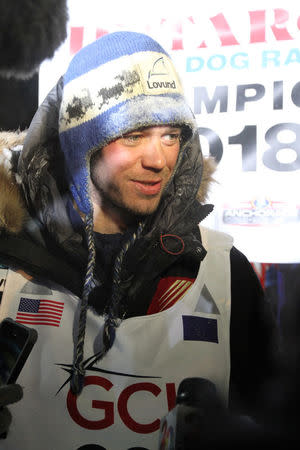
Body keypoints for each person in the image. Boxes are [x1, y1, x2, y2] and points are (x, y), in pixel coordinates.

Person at [0, 31, 279, 449]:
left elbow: (273, 418)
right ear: (82, 144)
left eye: (170, 135)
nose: (159, 159)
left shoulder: (221, 270)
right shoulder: (8, 257)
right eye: (132, 135)